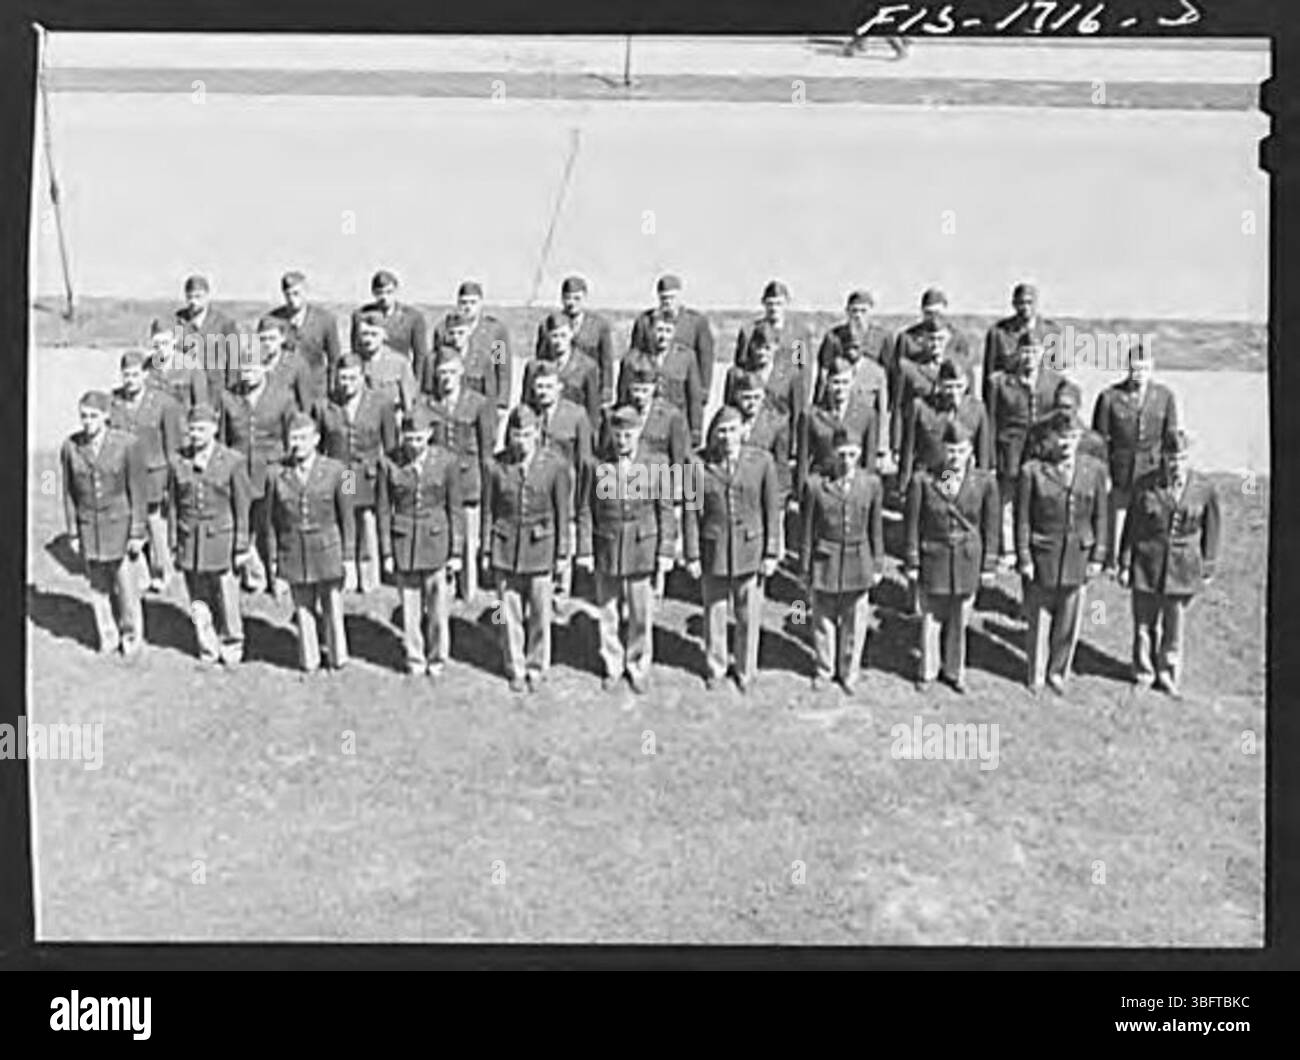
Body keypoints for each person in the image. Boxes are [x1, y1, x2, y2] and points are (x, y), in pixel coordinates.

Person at [576, 405, 676, 693]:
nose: (622, 440)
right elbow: (585, 509)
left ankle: (638, 664)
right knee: (607, 610)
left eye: (628, 434)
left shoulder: (655, 465)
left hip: (641, 544)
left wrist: (666, 551)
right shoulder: (598, 466)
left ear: (638, 434)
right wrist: (585, 548)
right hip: (607, 543)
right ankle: (612, 663)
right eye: (618, 435)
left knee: (640, 611)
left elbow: (665, 510)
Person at [683, 406, 780, 693]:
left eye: (733, 430)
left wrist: (772, 551)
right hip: (714, 549)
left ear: (744, 431)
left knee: (748, 614)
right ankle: (716, 666)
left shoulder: (762, 462)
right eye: (721, 431)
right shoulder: (697, 465)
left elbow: (771, 509)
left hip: (750, 547)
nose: (727, 437)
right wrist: (691, 554)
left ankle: (746, 671)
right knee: (714, 610)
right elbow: (691, 512)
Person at [1117, 430, 1219, 696]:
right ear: (1163, 458)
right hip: (1147, 563)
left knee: (1174, 627)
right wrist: (1125, 564)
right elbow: (1132, 527)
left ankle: (1168, 674)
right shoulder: (1145, 485)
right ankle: (1143, 673)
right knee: (1144, 624)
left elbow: (1212, 528)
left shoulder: (1203, 488)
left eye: (1181, 458)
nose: (1176, 464)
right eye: (1171, 458)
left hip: (1182, 567)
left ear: (1189, 458)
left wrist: (1208, 566)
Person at [1016, 410, 1109, 695]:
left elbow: (1101, 516)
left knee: (1068, 621)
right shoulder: (1032, 471)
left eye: (1072, 438)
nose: (1066, 444)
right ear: (1052, 438)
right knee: (1039, 619)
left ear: (1080, 438)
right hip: (1043, 553)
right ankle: (1036, 674)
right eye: (1062, 438)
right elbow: (1023, 519)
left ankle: (1058, 672)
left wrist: (1098, 556)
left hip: (1076, 555)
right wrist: (1024, 557)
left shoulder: (1093, 470)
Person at [481, 404, 572, 693]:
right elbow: (488, 511)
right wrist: (486, 549)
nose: (521, 440)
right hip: (505, 547)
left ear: (537, 434)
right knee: (508, 615)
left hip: (540, 546)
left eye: (527, 434)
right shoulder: (495, 466)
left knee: (540, 613)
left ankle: (537, 665)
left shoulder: (555, 465)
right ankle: (515, 666)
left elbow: (562, 513)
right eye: (516, 434)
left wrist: (561, 553)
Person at [903, 423, 999, 693]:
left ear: (970, 451)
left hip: (967, 557)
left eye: (961, 450)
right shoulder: (927, 480)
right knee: (931, 617)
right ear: (943, 450)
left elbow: (991, 525)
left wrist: (989, 564)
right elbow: (912, 523)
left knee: (960, 618)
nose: (955, 456)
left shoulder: (982, 481)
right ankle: (928, 670)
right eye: (951, 450)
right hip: (935, 555)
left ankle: (955, 671)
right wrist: (912, 560)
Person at [377, 407, 465, 678]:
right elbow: (383, 509)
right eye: (409, 438)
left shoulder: (446, 462)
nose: (413, 444)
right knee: (410, 609)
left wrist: (456, 551)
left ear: (429, 435)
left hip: (436, 542)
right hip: (405, 544)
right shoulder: (388, 463)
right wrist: (387, 552)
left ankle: (437, 656)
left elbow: (455, 508)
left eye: (418, 438)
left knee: (438, 608)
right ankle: (414, 656)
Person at [60, 391, 148, 657]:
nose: (88, 422)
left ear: (106, 416)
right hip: (90, 528)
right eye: (83, 416)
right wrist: (73, 532)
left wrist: (137, 532)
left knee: (127, 589)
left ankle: (131, 638)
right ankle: (107, 637)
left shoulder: (127, 445)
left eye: (93, 416)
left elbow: (138, 491)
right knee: (98, 588)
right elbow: (67, 492)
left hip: (119, 527)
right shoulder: (71, 447)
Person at [265, 412, 355, 673]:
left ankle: (339, 656)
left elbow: (348, 515)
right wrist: (274, 560)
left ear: (316, 439)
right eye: (293, 438)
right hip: (294, 550)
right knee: (303, 608)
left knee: (332, 605)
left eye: (304, 438)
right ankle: (310, 659)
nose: (298, 444)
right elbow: (270, 522)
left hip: (327, 547)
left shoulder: (341, 471)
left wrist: (349, 555)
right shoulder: (275, 474)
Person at [799, 426, 884, 693]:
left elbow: (876, 528)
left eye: (852, 454)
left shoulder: (870, 484)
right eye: (841, 454)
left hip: (857, 559)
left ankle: (849, 672)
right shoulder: (815, 486)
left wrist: (878, 562)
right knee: (822, 618)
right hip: (826, 557)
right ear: (832, 454)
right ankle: (825, 669)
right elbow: (806, 530)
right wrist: (804, 567)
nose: (846, 460)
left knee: (855, 620)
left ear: (859, 455)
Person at [167, 402, 252, 667]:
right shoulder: (178, 461)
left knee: (227, 595)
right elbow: (172, 505)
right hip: (190, 538)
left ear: (214, 429)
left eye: (202, 429)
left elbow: (242, 505)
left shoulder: (232, 461)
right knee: (197, 599)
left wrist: (241, 544)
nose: (196, 435)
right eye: (192, 430)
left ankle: (232, 645)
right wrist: (173, 540)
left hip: (221, 539)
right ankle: (207, 646)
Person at [987, 333, 1078, 566]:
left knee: (1034, 499)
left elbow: (1068, 403)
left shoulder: (1055, 381)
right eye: (1025, 351)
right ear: (1018, 353)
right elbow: (991, 421)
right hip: (1009, 449)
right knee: (1007, 500)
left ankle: (1031, 547)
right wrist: (989, 457)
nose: (1030, 357)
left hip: (1041, 449)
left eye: (1034, 352)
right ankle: (1007, 551)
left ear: (1042, 354)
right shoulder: (1000, 382)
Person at [313, 353, 399, 593]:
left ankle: (369, 575)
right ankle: (345, 571)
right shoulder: (325, 406)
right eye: (342, 378)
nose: (347, 383)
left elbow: (391, 444)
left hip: (369, 474)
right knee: (344, 520)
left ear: (362, 377)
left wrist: (387, 477)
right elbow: (319, 446)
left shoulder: (381, 403)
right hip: (342, 475)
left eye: (352, 378)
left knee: (368, 522)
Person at [1091, 341, 1179, 573]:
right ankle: (1113, 561)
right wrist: (1103, 472)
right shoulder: (1109, 397)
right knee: (1118, 515)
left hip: (1150, 467)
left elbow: (1170, 437)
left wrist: (1169, 471)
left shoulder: (1164, 397)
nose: (1138, 373)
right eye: (1134, 368)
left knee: (1146, 514)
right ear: (1127, 367)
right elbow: (1098, 440)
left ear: (1152, 368)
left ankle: (1138, 560)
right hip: (1120, 466)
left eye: (1143, 368)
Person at [419, 352, 496, 602]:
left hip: (468, 479)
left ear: (461, 372)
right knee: (444, 532)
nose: (447, 379)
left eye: (452, 372)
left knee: (469, 536)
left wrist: (485, 481)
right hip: (439, 481)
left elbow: (486, 449)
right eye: (442, 373)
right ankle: (446, 586)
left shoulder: (478, 403)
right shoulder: (428, 404)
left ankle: (469, 588)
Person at [219, 350, 299, 591]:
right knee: (245, 523)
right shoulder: (228, 398)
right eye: (244, 370)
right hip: (240, 471)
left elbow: (290, 435)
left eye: (253, 369)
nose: (248, 375)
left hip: (271, 469)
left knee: (272, 525)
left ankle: (278, 574)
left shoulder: (282, 397)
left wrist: (286, 468)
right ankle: (252, 574)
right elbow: (224, 438)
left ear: (264, 369)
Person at [110, 349, 183, 593]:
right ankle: (139, 572)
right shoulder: (115, 402)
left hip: (154, 473)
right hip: (124, 474)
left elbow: (173, 446)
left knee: (155, 523)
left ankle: (163, 569)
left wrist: (171, 478)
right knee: (129, 520)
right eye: (126, 375)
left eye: (134, 375)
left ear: (144, 374)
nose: (130, 380)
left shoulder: (163, 403)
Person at [615, 364, 690, 595]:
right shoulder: (622, 415)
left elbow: (680, 454)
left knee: (658, 528)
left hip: (660, 480)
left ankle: (659, 584)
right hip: (630, 477)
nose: (639, 395)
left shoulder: (671, 415)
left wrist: (678, 489)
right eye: (635, 389)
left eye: (644, 389)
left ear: (654, 388)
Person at [529, 361, 593, 606]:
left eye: (548, 386)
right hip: (536, 487)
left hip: (567, 488)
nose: (543, 391)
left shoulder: (576, 416)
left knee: (564, 530)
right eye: (539, 387)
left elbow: (585, 461)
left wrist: (582, 496)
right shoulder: (528, 413)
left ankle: (561, 591)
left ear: (559, 387)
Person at [898, 358, 990, 498]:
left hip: (960, 479)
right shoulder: (921, 407)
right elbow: (908, 448)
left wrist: (981, 486)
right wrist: (904, 484)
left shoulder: (977, 409)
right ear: (939, 384)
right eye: (949, 387)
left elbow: (982, 454)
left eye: (959, 386)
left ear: (966, 383)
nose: (954, 392)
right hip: (930, 477)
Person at [796, 355, 879, 502]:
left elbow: (869, 461)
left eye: (845, 382)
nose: (840, 388)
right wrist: (801, 494)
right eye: (836, 383)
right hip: (822, 487)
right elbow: (802, 460)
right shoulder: (811, 415)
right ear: (827, 383)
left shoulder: (867, 415)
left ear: (853, 381)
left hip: (851, 485)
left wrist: (865, 492)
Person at [618, 309, 704, 449]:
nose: (663, 336)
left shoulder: (686, 358)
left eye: (668, 331)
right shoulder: (632, 360)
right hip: (643, 425)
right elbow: (623, 397)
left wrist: (696, 430)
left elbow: (694, 397)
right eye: (659, 330)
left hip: (676, 425)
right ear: (650, 330)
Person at [533, 275, 617, 407]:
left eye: (576, 298)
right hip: (556, 389)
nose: (571, 303)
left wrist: (607, 391)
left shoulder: (599, 326)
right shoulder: (547, 325)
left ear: (585, 297)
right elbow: (541, 360)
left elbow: (606, 361)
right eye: (567, 298)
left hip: (586, 388)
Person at [724, 322, 806, 454]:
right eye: (757, 348)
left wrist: (795, 446)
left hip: (779, 438)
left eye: (767, 348)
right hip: (748, 438)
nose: (761, 353)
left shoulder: (791, 375)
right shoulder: (736, 375)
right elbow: (729, 411)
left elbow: (797, 412)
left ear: (776, 347)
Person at [629, 274, 716, 395]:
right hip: (651, 387)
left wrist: (704, 389)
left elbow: (705, 359)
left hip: (683, 386)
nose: (667, 302)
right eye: (663, 298)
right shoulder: (645, 322)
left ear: (679, 296)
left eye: (672, 297)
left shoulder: (696, 322)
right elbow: (635, 356)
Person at [432, 281, 511, 412]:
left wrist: (502, 402)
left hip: (483, 394)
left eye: (473, 302)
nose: (468, 307)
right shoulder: (443, 330)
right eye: (464, 302)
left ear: (481, 303)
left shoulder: (495, 332)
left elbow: (502, 368)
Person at [732, 281, 814, 406]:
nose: (774, 308)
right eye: (770, 303)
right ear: (763, 303)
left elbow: (803, 370)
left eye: (778, 303)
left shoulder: (797, 334)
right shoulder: (749, 332)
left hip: (786, 396)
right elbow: (741, 368)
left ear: (787, 303)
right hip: (756, 396)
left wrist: (802, 400)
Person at [981, 281, 1060, 407]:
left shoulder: (1051, 332)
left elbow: (1057, 374)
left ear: (1036, 304)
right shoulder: (998, 333)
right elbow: (989, 376)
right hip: (1009, 401)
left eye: (1029, 302)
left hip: (1042, 401)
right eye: (1021, 303)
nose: (1025, 307)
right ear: (1014, 304)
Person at [270, 269, 341, 404]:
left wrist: (334, 390)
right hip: (283, 390)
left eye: (296, 294)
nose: (292, 299)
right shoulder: (272, 320)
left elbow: (334, 359)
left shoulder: (325, 320)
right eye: (288, 295)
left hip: (316, 391)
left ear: (306, 292)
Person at [815, 290, 894, 407]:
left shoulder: (882, 337)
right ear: (847, 311)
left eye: (863, 311)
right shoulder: (833, 337)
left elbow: (890, 374)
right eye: (854, 311)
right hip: (838, 400)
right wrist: (818, 402)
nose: (858, 315)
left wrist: (888, 406)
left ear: (871, 312)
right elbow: (823, 374)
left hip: (869, 401)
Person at [523, 311, 601, 428]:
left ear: (572, 333)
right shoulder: (535, 367)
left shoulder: (496, 331)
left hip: (571, 428)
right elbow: (526, 403)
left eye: (563, 335)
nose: (559, 341)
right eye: (554, 336)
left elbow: (592, 409)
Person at [174, 274, 241, 396]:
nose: (193, 302)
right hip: (187, 389)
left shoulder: (224, 323)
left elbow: (234, 361)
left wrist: (232, 391)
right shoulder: (177, 322)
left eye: (198, 296)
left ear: (207, 296)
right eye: (190, 297)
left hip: (215, 389)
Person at [349, 269, 429, 370]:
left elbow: (420, 356)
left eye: (389, 292)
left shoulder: (412, 318)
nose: (384, 297)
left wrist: (416, 383)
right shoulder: (361, 316)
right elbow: (356, 352)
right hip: (369, 372)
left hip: (399, 372)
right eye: (380, 293)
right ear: (373, 292)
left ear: (396, 291)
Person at [354, 309, 418, 419]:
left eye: (374, 334)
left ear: (384, 336)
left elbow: (408, 403)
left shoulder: (399, 363)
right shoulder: (355, 362)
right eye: (365, 334)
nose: (369, 339)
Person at [146, 317, 208, 409]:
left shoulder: (191, 367)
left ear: (175, 340)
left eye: (165, 343)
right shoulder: (146, 367)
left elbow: (201, 405)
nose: (160, 348)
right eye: (156, 344)